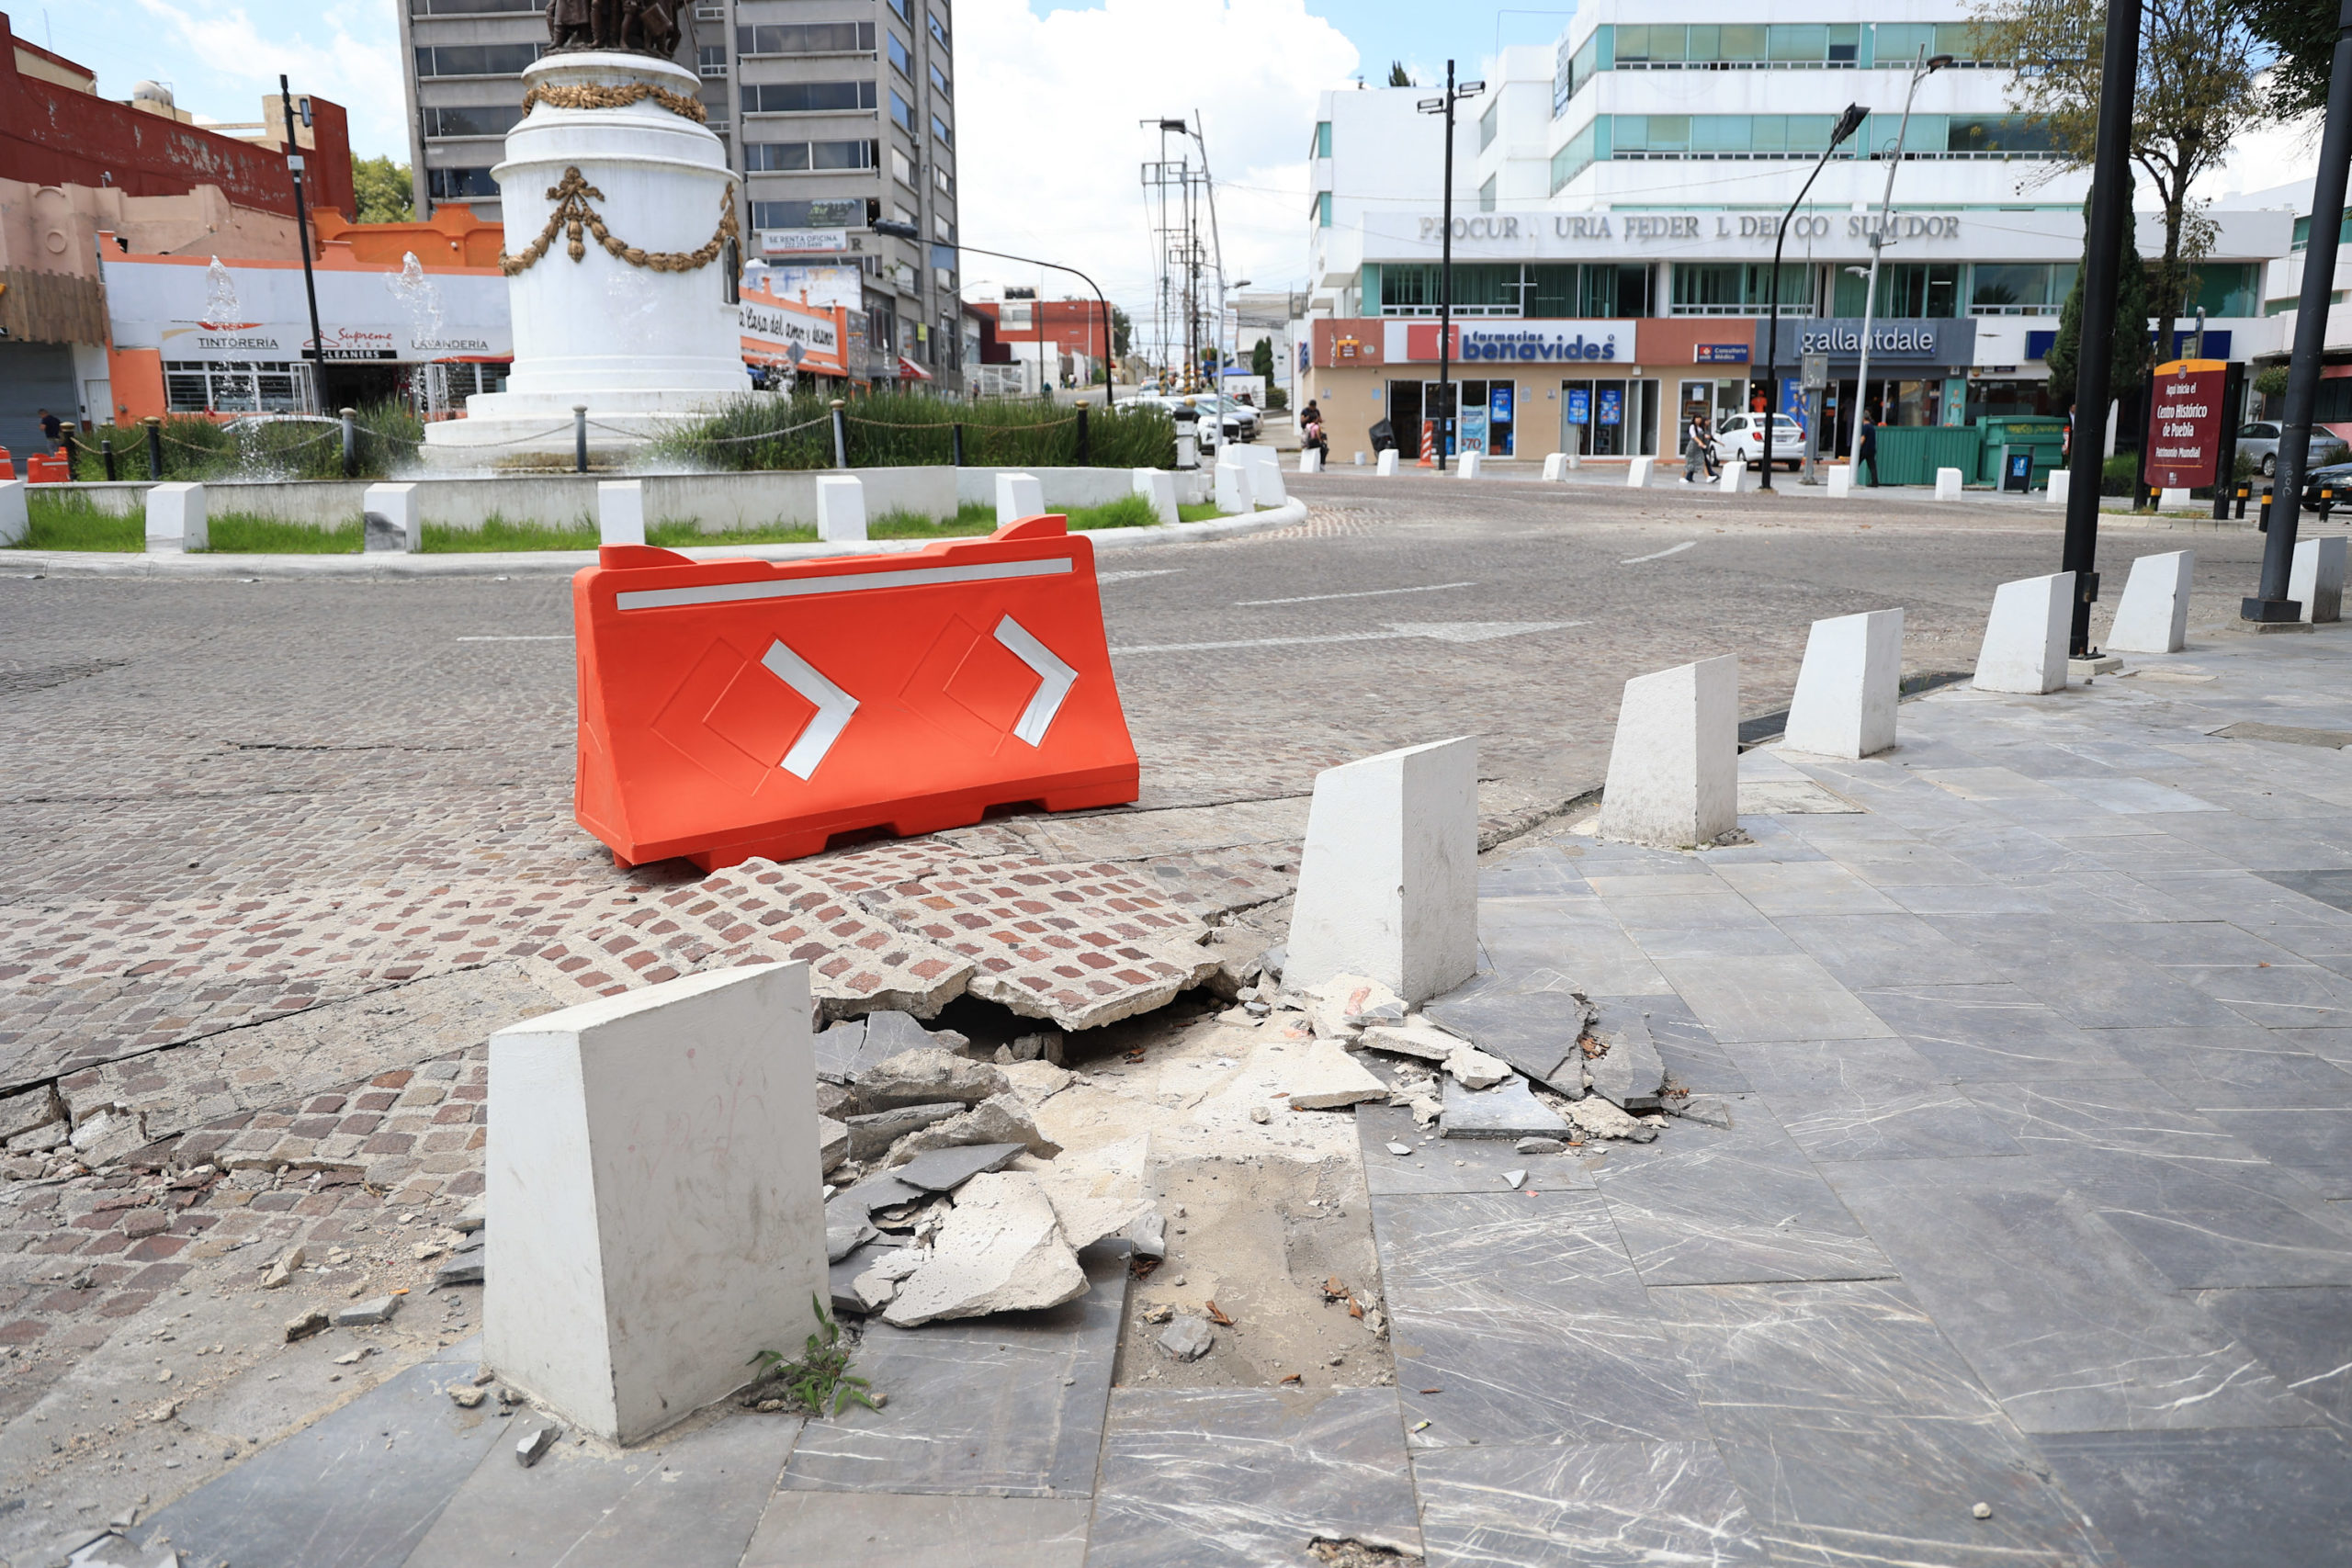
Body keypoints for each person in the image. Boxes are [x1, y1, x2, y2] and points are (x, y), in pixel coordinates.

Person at [1683, 410, 1715, 482]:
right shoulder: (1692, 427)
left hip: (1698, 448)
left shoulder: (1700, 428)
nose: (1698, 420)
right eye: (1696, 419)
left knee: (1702, 461)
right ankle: (1683, 477)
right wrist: (1700, 442)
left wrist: (1706, 436)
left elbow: (1702, 434)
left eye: (1699, 419)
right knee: (1689, 462)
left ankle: (1708, 477)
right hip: (1692, 447)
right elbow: (1694, 436)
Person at [1859, 405, 1880, 488]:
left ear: (1863, 418)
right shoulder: (1871, 427)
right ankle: (1875, 482)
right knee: (1872, 467)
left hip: (1865, 450)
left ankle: (1849, 478)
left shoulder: (1865, 427)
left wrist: (1859, 446)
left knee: (1855, 464)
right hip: (1871, 449)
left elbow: (1863, 438)